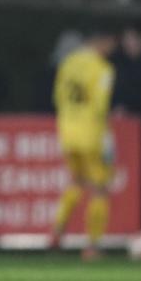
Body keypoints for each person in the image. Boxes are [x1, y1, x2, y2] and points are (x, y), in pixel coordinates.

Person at [50, 30, 117, 261]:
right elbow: (100, 105)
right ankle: (92, 245)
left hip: (67, 133)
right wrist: (106, 135)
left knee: (77, 181)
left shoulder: (67, 63)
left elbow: (57, 98)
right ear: (102, 42)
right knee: (100, 188)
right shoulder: (102, 68)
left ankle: (57, 231)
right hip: (90, 134)